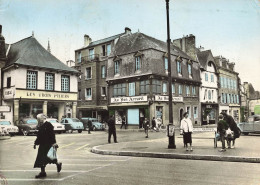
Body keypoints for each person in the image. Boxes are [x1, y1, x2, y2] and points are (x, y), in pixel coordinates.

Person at [33, 113, 62, 178]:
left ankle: (58, 164)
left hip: (48, 144)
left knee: (50, 158)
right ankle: (43, 172)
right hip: (42, 145)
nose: (38, 120)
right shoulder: (40, 125)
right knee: (41, 159)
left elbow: (52, 134)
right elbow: (39, 136)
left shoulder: (48, 125)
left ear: (43, 118)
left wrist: (54, 143)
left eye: (39, 119)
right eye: (37, 119)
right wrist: (35, 143)